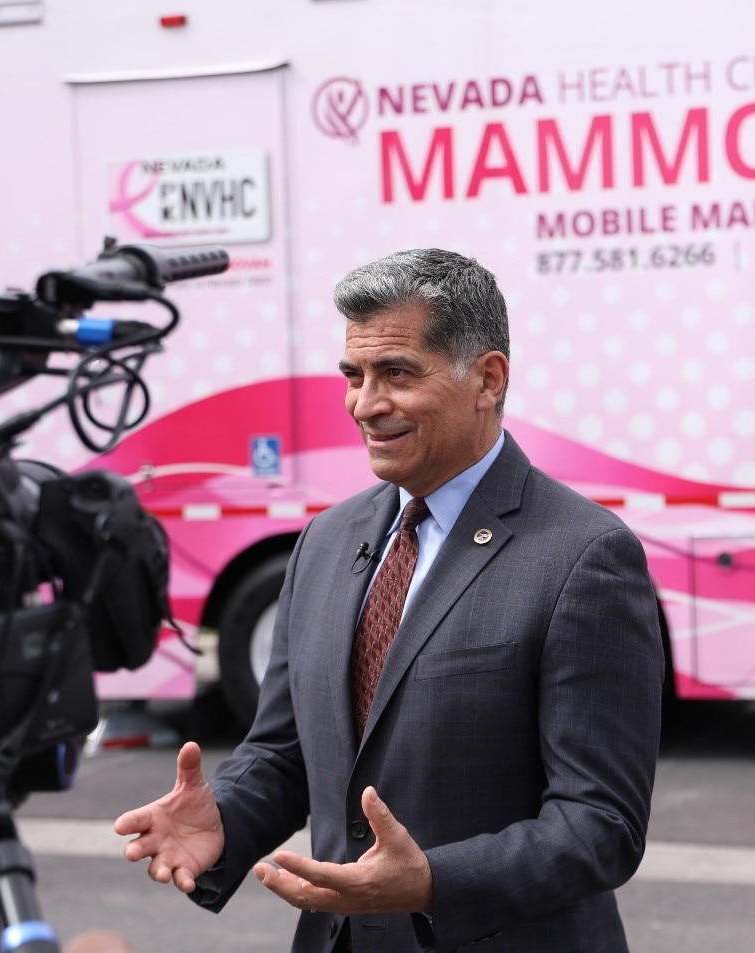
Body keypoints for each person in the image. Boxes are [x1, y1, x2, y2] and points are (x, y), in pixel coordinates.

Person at [114, 249, 664, 952]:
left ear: (487, 379)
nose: (365, 403)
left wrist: (433, 880)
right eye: (355, 375)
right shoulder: (324, 539)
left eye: (397, 373)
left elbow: (601, 825)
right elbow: (286, 748)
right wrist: (222, 816)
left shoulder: (584, 556)